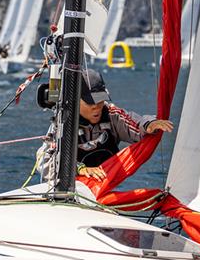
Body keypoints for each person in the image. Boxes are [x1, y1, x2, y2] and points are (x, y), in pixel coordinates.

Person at [37, 69, 174, 181]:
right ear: (75, 100)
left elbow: (136, 124)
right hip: (71, 192)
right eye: (90, 103)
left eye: (100, 100)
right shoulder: (62, 124)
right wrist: (79, 169)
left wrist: (150, 124)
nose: (97, 107)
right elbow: (44, 161)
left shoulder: (111, 114)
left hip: (103, 191)